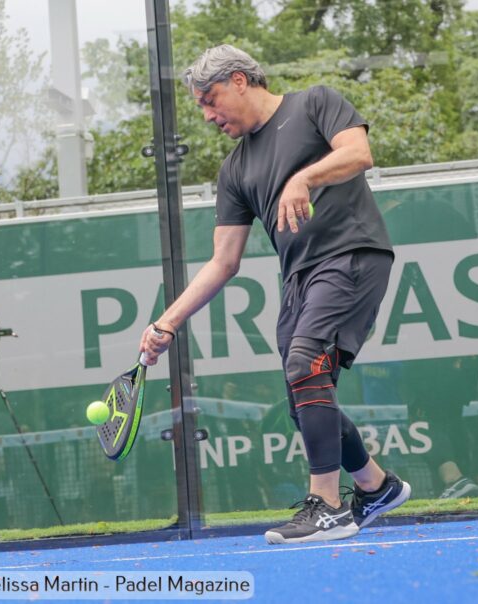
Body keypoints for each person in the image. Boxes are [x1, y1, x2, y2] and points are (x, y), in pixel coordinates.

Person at [139, 44, 410, 544]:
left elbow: (358, 153)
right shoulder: (234, 171)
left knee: (305, 362)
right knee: (302, 392)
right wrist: (167, 322)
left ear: (240, 80)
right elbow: (223, 261)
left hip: (352, 254)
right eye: (200, 105)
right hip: (299, 278)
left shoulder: (315, 103)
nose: (207, 114)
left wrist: (303, 178)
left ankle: (327, 506)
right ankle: (375, 486)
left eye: (210, 98)